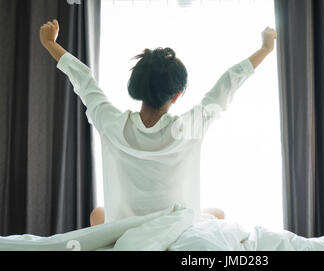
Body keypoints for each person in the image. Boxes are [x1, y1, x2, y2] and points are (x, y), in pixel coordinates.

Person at [40, 19, 277, 227]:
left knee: (97, 215)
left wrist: (51, 43)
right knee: (218, 214)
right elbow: (229, 82)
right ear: (175, 96)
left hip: (127, 225)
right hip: (174, 225)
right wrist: (265, 48)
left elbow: (84, 80)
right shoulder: (189, 127)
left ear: (136, 87)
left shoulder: (111, 123)